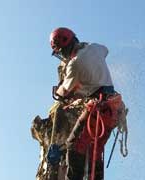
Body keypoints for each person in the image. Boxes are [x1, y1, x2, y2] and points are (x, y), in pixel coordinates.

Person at [50, 27, 124, 180]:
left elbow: (64, 92)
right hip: (114, 106)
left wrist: (58, 91)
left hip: (99, 107)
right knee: (94, 153)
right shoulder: (95, 47)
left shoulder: (74, 64)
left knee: (73, 146)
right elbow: (106, 51)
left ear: (63, 48)